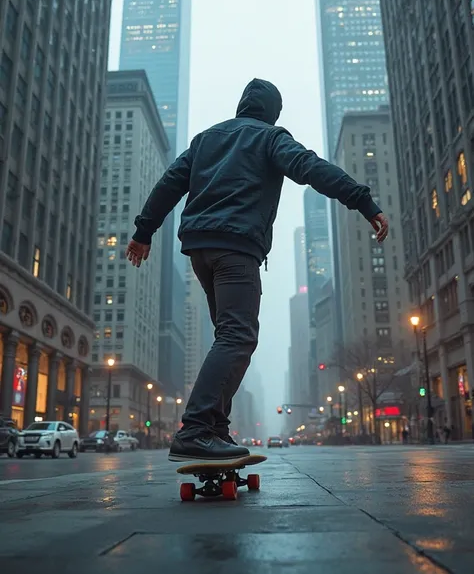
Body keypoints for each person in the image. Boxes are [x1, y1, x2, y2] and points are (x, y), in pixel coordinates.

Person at [126, 78, 389, 462]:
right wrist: (363, 200)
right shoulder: (269, 137)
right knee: (238, 336)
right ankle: (197, 428)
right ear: (272, 112)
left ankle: (215, 428)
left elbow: (169, 184)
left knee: (228, 336)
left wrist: (143, 231)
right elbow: (310, 167)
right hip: (235, 248)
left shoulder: (206, 139)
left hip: (201, 249)